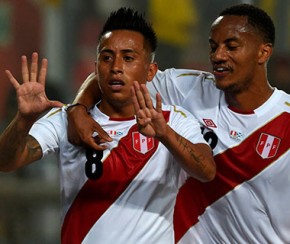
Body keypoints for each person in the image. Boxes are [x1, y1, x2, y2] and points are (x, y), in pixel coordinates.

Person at [66, 4, 290, 243]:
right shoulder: (188, 89)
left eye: (231, 46)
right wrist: (78, 108)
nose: (218, 56)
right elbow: (111, 77)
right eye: (213, 47)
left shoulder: (285, 117)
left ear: (263, 53)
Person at [0, 8, 216, 244]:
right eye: (107, 57)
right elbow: (6, 162)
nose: (116, 66)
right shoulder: (67, 119)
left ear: (151, 71)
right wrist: (24, 120)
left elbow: (206, 171)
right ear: (96, 68)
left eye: (128, 57)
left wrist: (164, 133)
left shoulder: (173, 120)